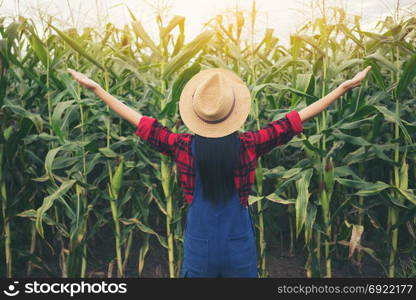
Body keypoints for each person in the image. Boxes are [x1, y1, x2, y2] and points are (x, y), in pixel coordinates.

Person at [68, 66, 371, 278]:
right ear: (232, 112)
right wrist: (342, 88)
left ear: (197, 114)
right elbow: (293, 120)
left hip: (200, 245)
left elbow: (142, 123)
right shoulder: (249, 145)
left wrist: (98, 89)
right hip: (237, 244)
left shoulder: (181, 146)